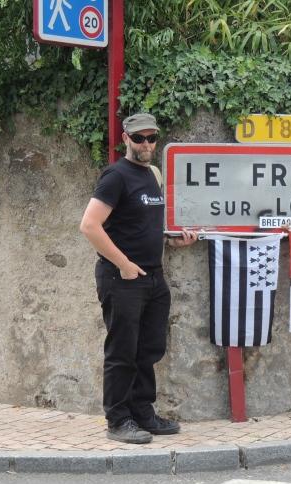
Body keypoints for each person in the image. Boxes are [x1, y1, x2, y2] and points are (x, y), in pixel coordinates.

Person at [79, 113, 197, 444]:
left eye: (151, 138)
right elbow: (89, 225)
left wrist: (174, 241)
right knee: (122, 350)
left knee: (149, 349)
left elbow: (145, 226)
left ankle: (143, 412)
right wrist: (124, 265)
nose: (145, 144)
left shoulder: (153, 175)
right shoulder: (116, 176)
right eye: (139, 138)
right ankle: (118, 420)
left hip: (153, 277)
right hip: (122, 278)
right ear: (126, 139)